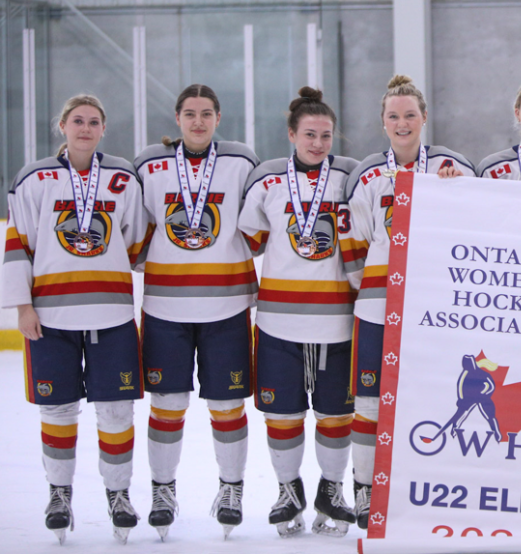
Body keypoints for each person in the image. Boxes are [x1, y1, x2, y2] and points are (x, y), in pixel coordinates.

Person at [1, 95, 148, 544]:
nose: (86, 128)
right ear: (61, 125)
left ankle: (118, 495)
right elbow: (18, 243)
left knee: (116, 411)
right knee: (58, 409)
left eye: (94, 122)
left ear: (104, 128)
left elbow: (136, 240)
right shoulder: (34, 178)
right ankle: (59, 495)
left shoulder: (122, 178)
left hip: (111, 314)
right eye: (78, 121)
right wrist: (22, 306)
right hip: (51, 316)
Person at [344, 74, 474, 529]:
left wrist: (458, 191)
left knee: (433, 402)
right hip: (377, 310)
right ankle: (365, 490)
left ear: (424, 118)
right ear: (383, 122)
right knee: (370, 402)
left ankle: (426, 488)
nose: (403, 123)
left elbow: (476, 230)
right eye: (394, 116)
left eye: (410, 115)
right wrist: (382, 288)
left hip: (434, 314)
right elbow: (355, 246)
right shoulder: (366, 176)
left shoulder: (455, 168)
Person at [133, 84, 259, 539]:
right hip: (166, 306)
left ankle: (231, 489)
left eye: (207, 113)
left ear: (219, 117)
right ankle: (162, 490)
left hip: (226, 305)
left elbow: (260, 219)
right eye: (190, 113)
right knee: (168, 403)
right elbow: (135, 228)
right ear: (177, 117)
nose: (198, 121)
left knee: (227, 404)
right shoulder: (150, 163)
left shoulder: (242, 161)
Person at [238, 87, 360, 538]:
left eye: (326, 135)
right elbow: (248, 240)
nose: (318, 143)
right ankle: (288, 490)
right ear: (291, 134)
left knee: (335, 414)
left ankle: (331, 490)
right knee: (283, 414)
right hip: (277, 321)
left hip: (337, 321)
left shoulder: (350, 175)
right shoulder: (268, 179)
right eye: (309, 134)